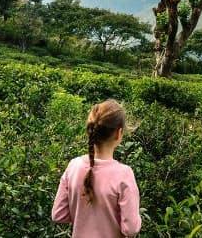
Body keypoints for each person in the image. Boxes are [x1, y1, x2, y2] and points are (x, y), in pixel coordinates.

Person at [52, 99, 141, 237]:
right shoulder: (124, 174)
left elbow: (58, 215)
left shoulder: (74, 166)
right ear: (119, 133)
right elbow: (130, 229)